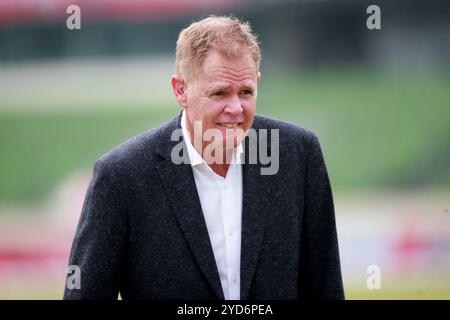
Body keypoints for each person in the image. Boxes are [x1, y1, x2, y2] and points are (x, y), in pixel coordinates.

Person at [63, 15, 344, 300]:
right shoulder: (122, 176)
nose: (236, 107)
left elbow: (325, 287)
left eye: (246, 92)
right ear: (180, 90)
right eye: (220, 93)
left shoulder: (299, 156)